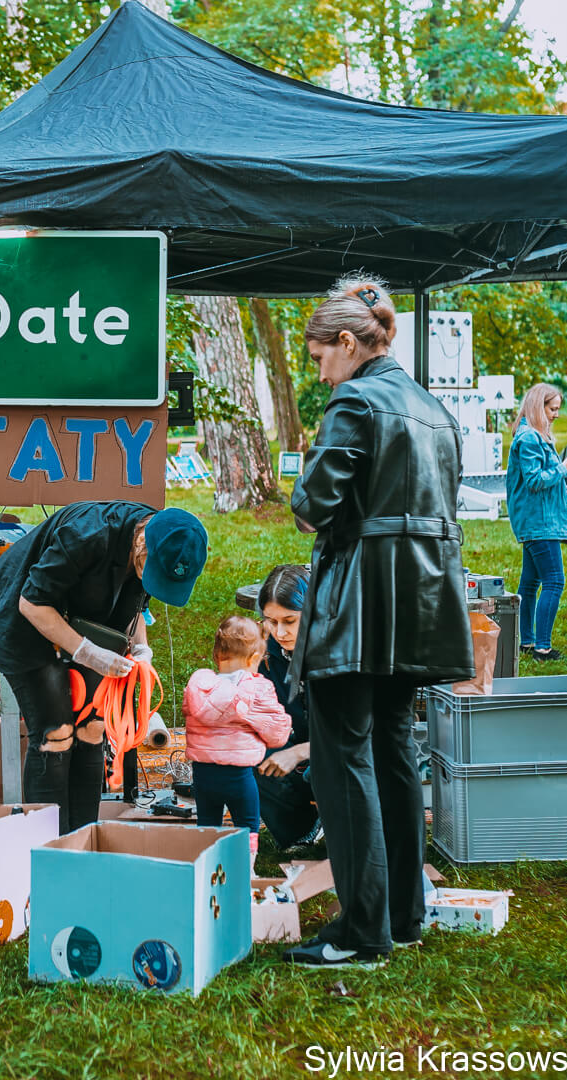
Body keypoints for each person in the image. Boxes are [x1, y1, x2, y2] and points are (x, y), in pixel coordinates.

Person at [283, 277, 473, 969]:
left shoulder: (355, 400)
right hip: (421, 601)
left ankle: (361, 932)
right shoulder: (433, 408)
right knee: (394, 750)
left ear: (344, 342)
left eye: (318, 357)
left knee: (343, 759)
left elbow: (314, 506)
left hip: (361, 600)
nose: (319, 371)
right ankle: (403, 913)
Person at [0, 502, 208, 834]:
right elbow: (32, 603)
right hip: (27, 621)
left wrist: (140, 647)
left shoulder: (162, 538)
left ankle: (84, 837)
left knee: (93, 729)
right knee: (55, 733)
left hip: (91, 623)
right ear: (141, 544)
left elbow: (136, 606)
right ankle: (51, 846)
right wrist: (86, 651)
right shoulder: (86, 536)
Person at [181, 614, 292, 847]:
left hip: (203, 774)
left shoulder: (199, 687)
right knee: (247, 827)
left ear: (216, 655)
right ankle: (245, 872)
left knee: (208, 827)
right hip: (238, 777)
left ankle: (208, 872)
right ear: (254, 658)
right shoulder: (257, 689)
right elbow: (277, 734)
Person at [505, 383, 567, 661]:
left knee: (529, 583)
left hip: (535, 521)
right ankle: (543, 647)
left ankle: (526, 642)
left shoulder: (534, 436)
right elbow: (535, 480)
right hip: (539, 522)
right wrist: (564, 468)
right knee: (554, 581)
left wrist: (566, 467)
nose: (556, 415)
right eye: (553, 409)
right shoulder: (530, 439)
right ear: (538, 407)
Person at [251, 566, 321, 851]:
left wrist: (300, 752)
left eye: (290, 621)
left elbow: (357, 735)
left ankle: (344, 828)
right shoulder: (264, 650)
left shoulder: (341, 649)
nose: (280, 632)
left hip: (340, 755)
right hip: (293, 746)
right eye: (270, 621)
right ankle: (300, 831)